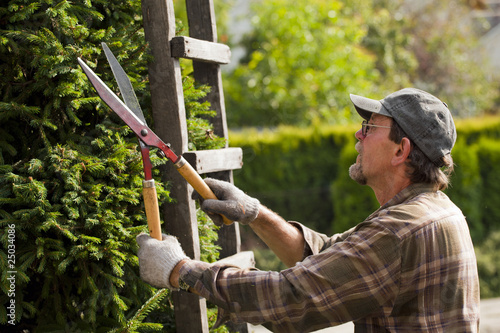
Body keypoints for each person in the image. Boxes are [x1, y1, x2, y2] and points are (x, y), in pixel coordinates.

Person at [136, 88, 480, 332]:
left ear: (400, 150)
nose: (357, 134)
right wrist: (255, 213)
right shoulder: (434, 211)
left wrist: (181, 270)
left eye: (371, 127)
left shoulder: (399, 230)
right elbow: (329, 257)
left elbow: (292, 300)